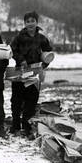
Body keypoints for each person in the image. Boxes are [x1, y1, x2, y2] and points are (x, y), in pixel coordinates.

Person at [10, 11, 52, 140]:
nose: (30, 23)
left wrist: (42, 67)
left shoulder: (42, 38)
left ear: (36, 22)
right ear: (25, 23)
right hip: (20, 71)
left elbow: (48, 54)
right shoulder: (19, 37)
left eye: (32, 21)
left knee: (31, 101)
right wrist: (21, 59)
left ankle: (27, 128)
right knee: (16, 100)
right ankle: (15, 125)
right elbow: (12, 50)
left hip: (34, 74)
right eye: (27, 21)